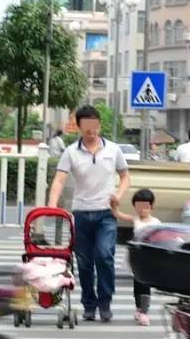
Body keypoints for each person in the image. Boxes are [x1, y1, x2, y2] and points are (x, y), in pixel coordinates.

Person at [48, 105, 130, 322]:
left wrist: (119, 195)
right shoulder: (70, 152)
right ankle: (88, 304)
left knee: (104, 255)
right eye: (86, 126)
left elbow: (125, 177)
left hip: (106, 213)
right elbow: (59, 179)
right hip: (81, 214)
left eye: (94, 125)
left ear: (99, 125)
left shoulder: (113, 150)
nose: (91, 130)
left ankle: (105, 301)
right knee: (84, 263)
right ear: (79, 127)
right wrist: (52, 204)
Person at [110, 189, 160, 326]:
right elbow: (117, 214)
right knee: (137, 283)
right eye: (138, 206)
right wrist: (114, 204)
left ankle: (144, 311)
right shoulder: (136, 219)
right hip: (136, 258)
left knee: (145, 284)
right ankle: (139, 308)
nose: (142, 209)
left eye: (145, 206)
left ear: (151, 206)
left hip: (149, 258)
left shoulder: (156, 223)